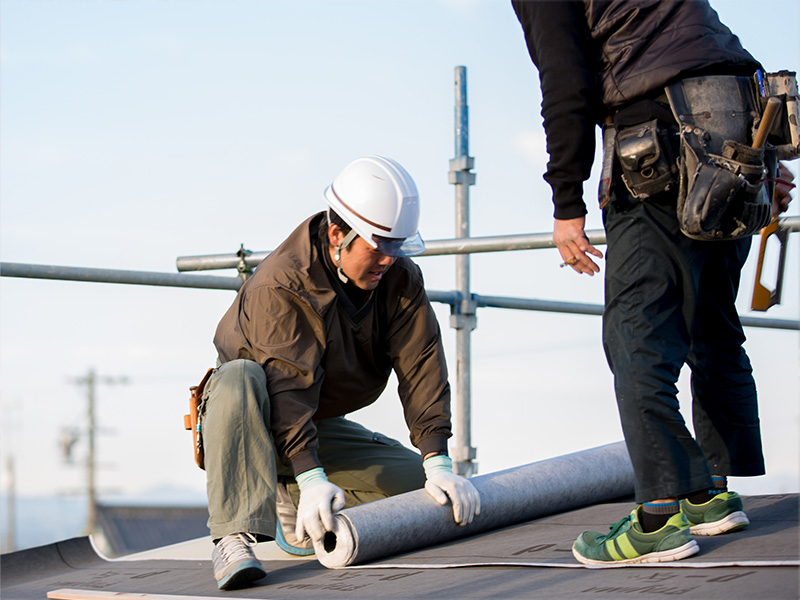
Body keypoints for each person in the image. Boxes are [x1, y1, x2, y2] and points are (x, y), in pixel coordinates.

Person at [512, 0, 795, 565]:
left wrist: (567, 202)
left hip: (661, 149)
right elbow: (712, 41)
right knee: (709, 322)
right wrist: (765, 155)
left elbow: (566, 85)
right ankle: (709, 495)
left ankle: (657, 518)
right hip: (737, 128)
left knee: (637, 337)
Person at [199, 155, 480, 590]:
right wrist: (312, 474)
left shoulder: (400, 279)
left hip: (313, 424)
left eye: (397, 247)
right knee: (239, 378)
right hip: (253, 424)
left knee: (420, 493)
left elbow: (421, 363)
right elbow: (287, 387)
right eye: (377, 247)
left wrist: (437, 459)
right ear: (337, 235)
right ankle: (234, 536)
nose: (387, 260)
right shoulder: (282, 283)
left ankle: (292, 496)